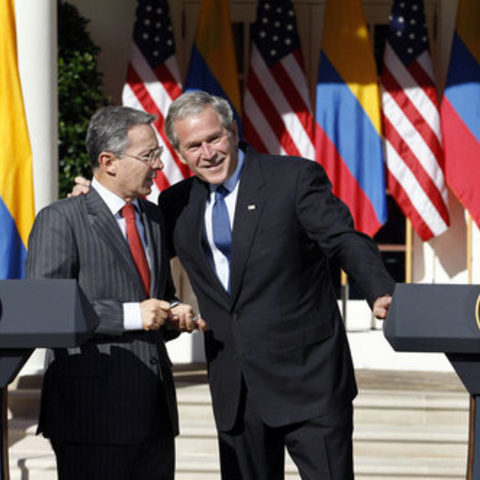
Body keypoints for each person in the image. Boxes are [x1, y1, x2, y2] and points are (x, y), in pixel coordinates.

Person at [73, 92, 395, 480]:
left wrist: (379, 288)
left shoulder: (292, 178)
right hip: (236, 391)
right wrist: (94, 203)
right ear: (178, 153)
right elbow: (135, 246)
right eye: (193, 146)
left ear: (232, 131)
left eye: (214, 138)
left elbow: (344, 238)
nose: (207, 153)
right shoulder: (176, 203)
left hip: (309, 383)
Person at [26, 106, 204, 480]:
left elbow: (157, 296)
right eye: (149, 155)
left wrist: (173, 311)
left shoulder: (153, 219)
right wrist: (130, 314)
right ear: (108, 161)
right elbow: (43, 312)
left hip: (154, 415)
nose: (159, 166)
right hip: (91, 417)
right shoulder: (61, 219)